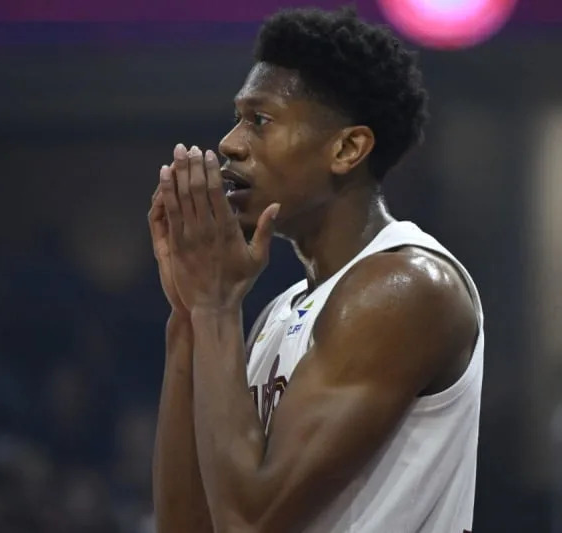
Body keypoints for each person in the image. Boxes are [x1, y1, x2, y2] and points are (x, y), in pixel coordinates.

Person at [149, 6, 483, 533]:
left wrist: (214, 308)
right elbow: (185, 526)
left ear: (347, 148)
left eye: (259, 120)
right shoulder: (281, 314)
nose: (230, 143)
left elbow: (249, 523)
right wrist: (188, 317)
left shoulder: (405, 288)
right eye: (238, 118)